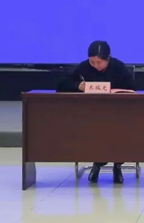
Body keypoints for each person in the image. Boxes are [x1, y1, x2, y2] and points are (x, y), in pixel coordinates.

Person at [57, 40, 136, 184]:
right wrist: (77, 85)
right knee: (96, 130)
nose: (95, 66)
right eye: (92, 62)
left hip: (117, 113)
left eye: (99, 62)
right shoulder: (84, 67)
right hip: (91, 113)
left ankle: (117, 166)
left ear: (108, 58)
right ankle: (97, 163)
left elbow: (132, 87)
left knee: (119, 130)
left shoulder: (118, 66)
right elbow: (61, 84)